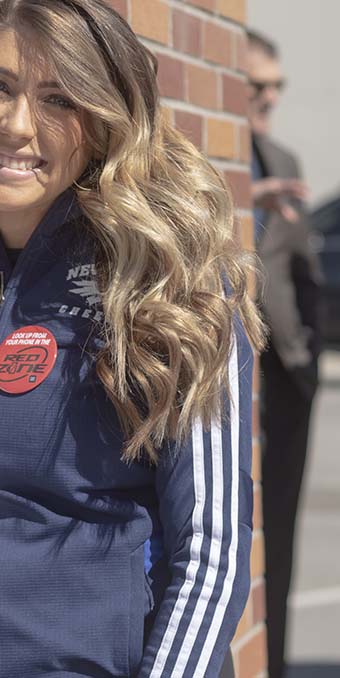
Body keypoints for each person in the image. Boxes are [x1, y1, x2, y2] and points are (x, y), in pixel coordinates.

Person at [0, 1, 265, 676]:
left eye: (59, 98)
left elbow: (210, 550)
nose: (16, 124)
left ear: (104, 123)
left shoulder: (168, 285)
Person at [246, 29, 322, 678]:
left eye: (277, 86)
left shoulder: (284, 159)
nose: (270, 96)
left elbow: (304, 275)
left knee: (286, 536)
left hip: (287, 382)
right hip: (233, 381)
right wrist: (247, 202)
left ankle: (275, 665)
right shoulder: (206, 155)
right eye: (257, 85)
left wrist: (308, 363)